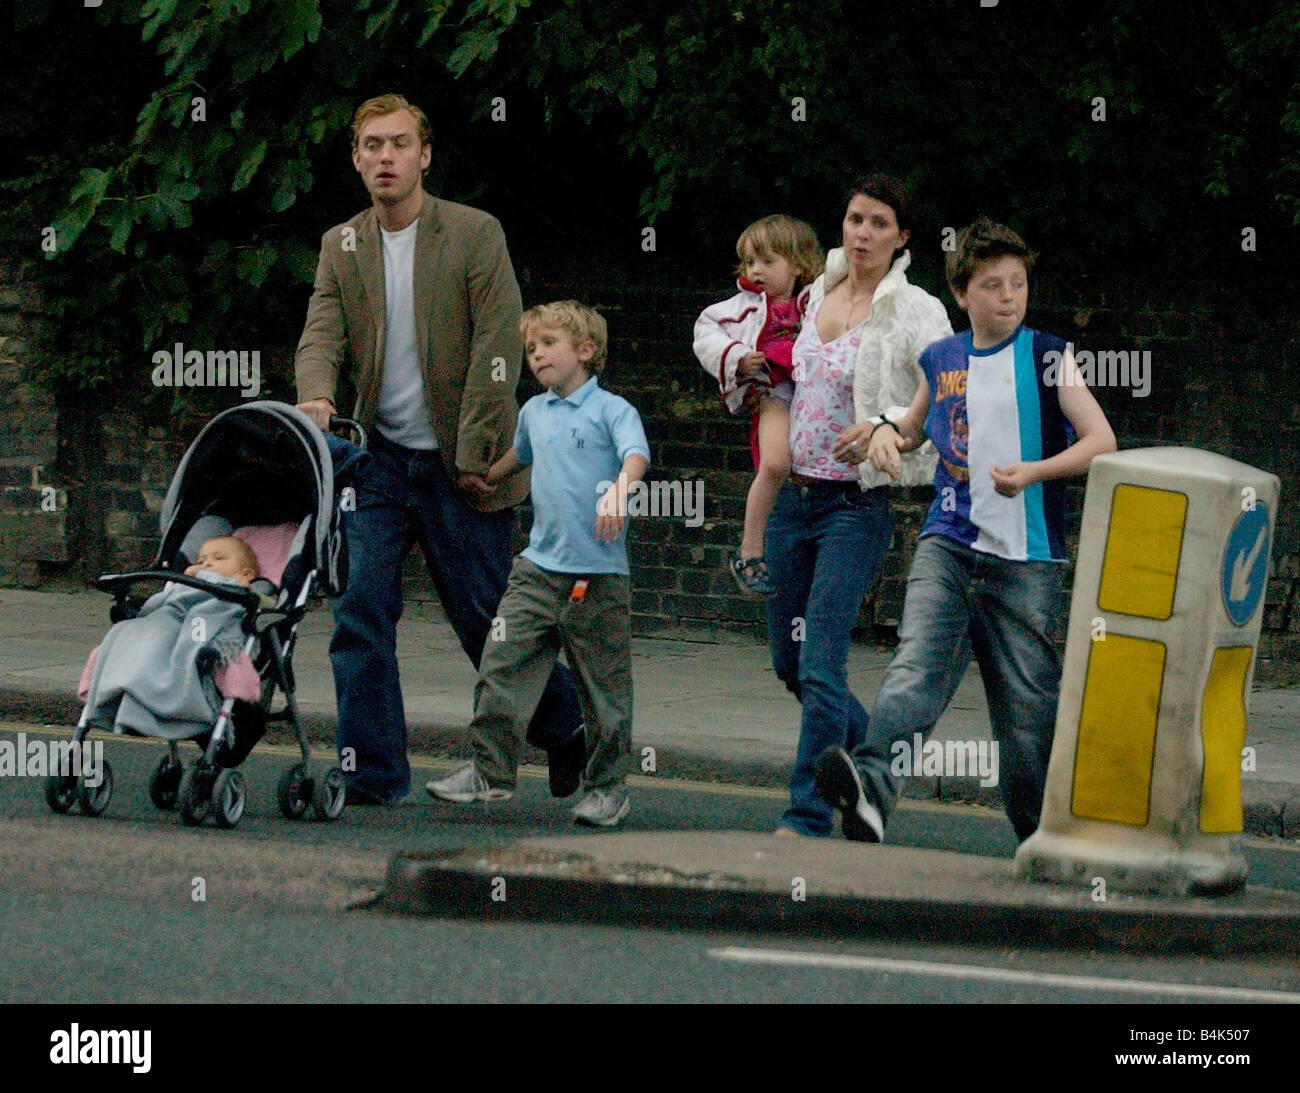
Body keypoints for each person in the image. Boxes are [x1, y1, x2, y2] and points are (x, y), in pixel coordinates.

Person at [294, 93, 584, 807]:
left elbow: (498, 343)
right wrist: (315, 398)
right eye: (371, 146)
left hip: (464, 461)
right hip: (380, 460)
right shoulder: (344, 244)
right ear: (356, 159)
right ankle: (373, 773)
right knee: (359, 606)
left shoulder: (474, 233)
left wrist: (477, 448)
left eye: (398, 144)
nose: (384, 157)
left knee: (487, 619)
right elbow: (321, 335)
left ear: (425, 154)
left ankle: (565, 722)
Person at [816, 216, 1118, 843]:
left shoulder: (1048, 357)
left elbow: (1101, 441)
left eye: (1018, 283)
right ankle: (871, 791)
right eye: (994, 285)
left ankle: (1043, 839)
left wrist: (1035, 471)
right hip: (948, 544)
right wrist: (880, 435)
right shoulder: (942, 357)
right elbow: (911, 427)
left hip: (1027, 559)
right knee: (913, 670)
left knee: (1027, 714)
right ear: (963, 294)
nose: (1009, 296)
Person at [762, 174, 954, 838]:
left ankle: (806, 816)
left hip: (855, 505)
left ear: (902, 236)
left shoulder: (916, 308)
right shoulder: (814, 291)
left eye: (878, 223)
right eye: (854, 219)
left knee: (819, 660)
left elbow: (946, 390)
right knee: (788, 661)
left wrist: (882, 423)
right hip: (794, 501)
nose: (862, 233)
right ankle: (871, 763)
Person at [426, 301, 650, 827]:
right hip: (536, 570)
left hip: (597, 577)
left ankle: (607, 789)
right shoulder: (534, 412)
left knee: (603, 689)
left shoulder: (612, 410)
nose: (537, 355)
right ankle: (490, 771)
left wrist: (620, 491)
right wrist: (487, 476)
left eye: (549, 344)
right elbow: (521, 455)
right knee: (501, 661)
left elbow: (636, 456)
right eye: (530, 348)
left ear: (586, 351)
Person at [693, 215, 824, 594]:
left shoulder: (817, 301)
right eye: (751, 262)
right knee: (775, 464)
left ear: (799, 264)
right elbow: (705, 330)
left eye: (768, 261)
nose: (756, 270)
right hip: (774, 393)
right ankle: (749, 550)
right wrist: (736, 355)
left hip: (817, 398)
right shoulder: (743, 306)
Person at [183, 535, 259, 588]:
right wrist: (187, 579)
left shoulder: (237, 586)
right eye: (201, 562)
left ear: (246, 574)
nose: (206, 564)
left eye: (219, 558)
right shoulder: (197, 581)